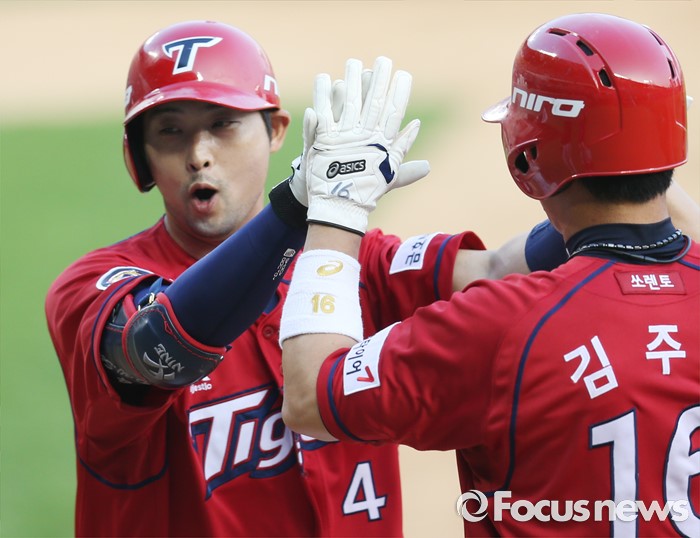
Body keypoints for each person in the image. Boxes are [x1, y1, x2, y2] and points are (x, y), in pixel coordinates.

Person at [45, 19, 589, 536]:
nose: (199, 155)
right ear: (138, 156)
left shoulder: (350, 260)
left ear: (276, 130)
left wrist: (603, 178)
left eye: (223, 124)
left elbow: (495, 270)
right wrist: (296, 206)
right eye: (170, 131)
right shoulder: (90, 287)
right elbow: (159, 344)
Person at [280, 12, 700, 537]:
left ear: (526, 155)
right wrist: (635, 126)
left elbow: (310, 396)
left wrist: (336, 206)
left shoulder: (503, 327)